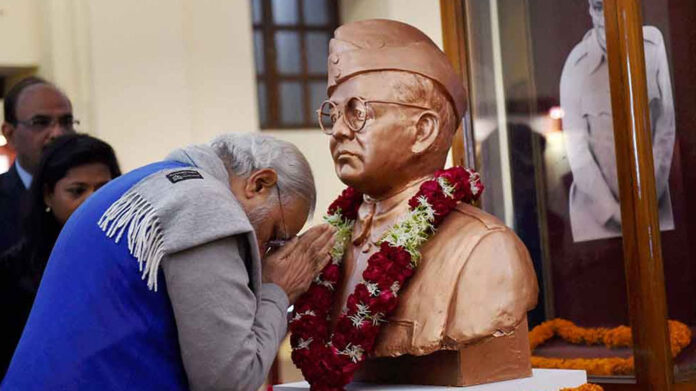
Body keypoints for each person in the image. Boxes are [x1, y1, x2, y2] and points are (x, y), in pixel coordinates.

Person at [2, 133, 334, 390]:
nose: (268, 253)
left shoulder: (152, 181)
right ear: (259, 183)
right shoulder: (204, 205)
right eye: (275, 235)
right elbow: (231, 380)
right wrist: (278, 290)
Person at [316, 19, 538, 385]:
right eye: (333, 113)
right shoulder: (327, 247)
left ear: (423, 130)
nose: (339, 129)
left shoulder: (484, 249)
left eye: (357, 111)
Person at [0, 133, 121, 378]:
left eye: (104, 189)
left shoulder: (139, 262)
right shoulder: (11, 273)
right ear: (48, 195)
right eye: (77, 191)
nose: (93, 201)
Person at [560, 0, 675, 242]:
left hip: (654, 210)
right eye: (598, 8)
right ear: (590, 11)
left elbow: (666, 127)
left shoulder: (653, 47)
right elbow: (577, 151)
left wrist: (648, 196)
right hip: (595, 220)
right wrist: (612, 210)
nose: (604, 18)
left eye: (609, 6)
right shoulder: (576, 65)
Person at [0, 77, 76, 254]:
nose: (58, 133)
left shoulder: (97, 197)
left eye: (66, 122)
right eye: (40, 122)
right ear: (10, 134)